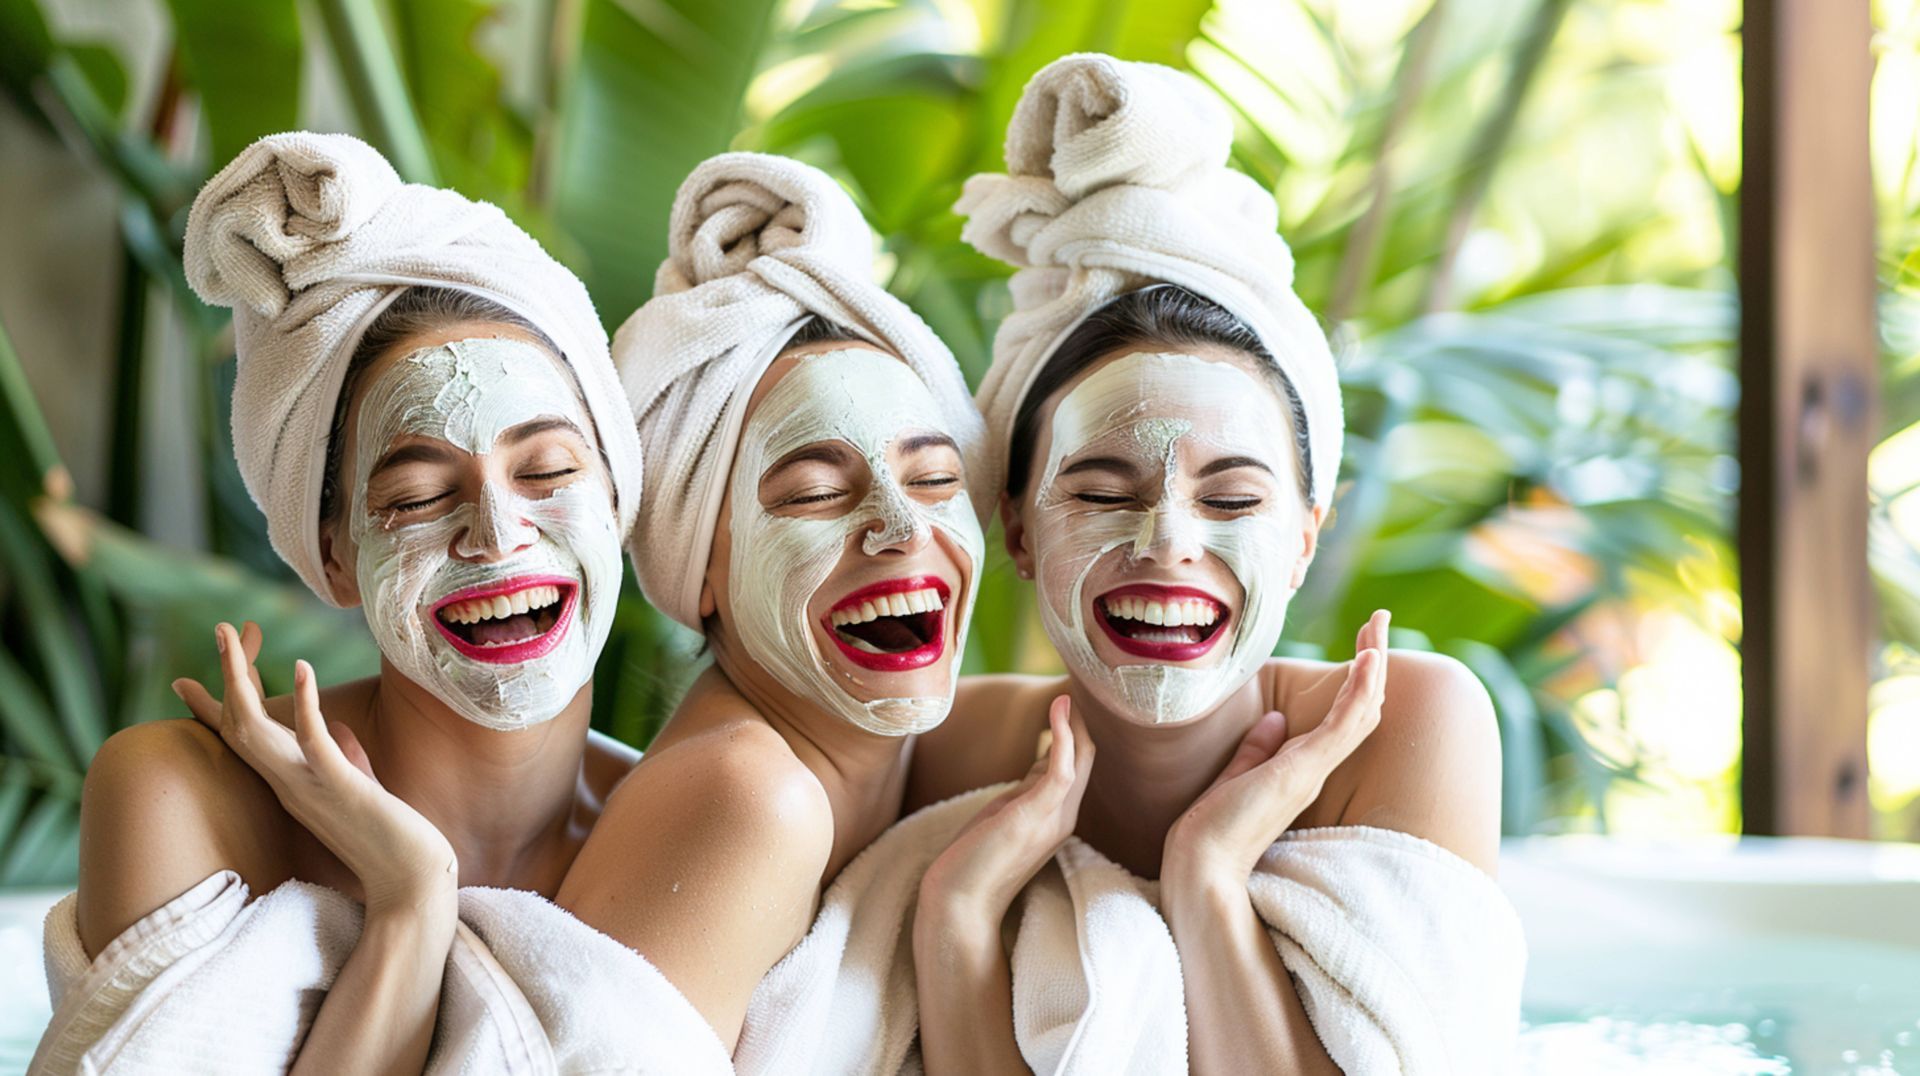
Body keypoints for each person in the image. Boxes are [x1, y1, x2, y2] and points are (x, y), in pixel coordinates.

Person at [906, 54, 1523, 1074]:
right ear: (1014, 527)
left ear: (1303, 539)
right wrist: (957, 913)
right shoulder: (950, 747)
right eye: (1101, 491)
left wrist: (1208, 875)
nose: (1166, 542)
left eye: (1233, 498)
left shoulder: (1408, 726)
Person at [40, 131, 643, 1075]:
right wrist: (411, 898)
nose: (496, 534)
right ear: (332, 553)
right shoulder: (180, 796)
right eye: (414, 497)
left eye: (550, 471)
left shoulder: (683, 828)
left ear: (617, 502)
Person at [555, 152, 989, 1056]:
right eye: (813, 494)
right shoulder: (748, 801)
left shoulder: (908, 756)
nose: (902, 527)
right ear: (698, 569)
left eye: (937, 477)